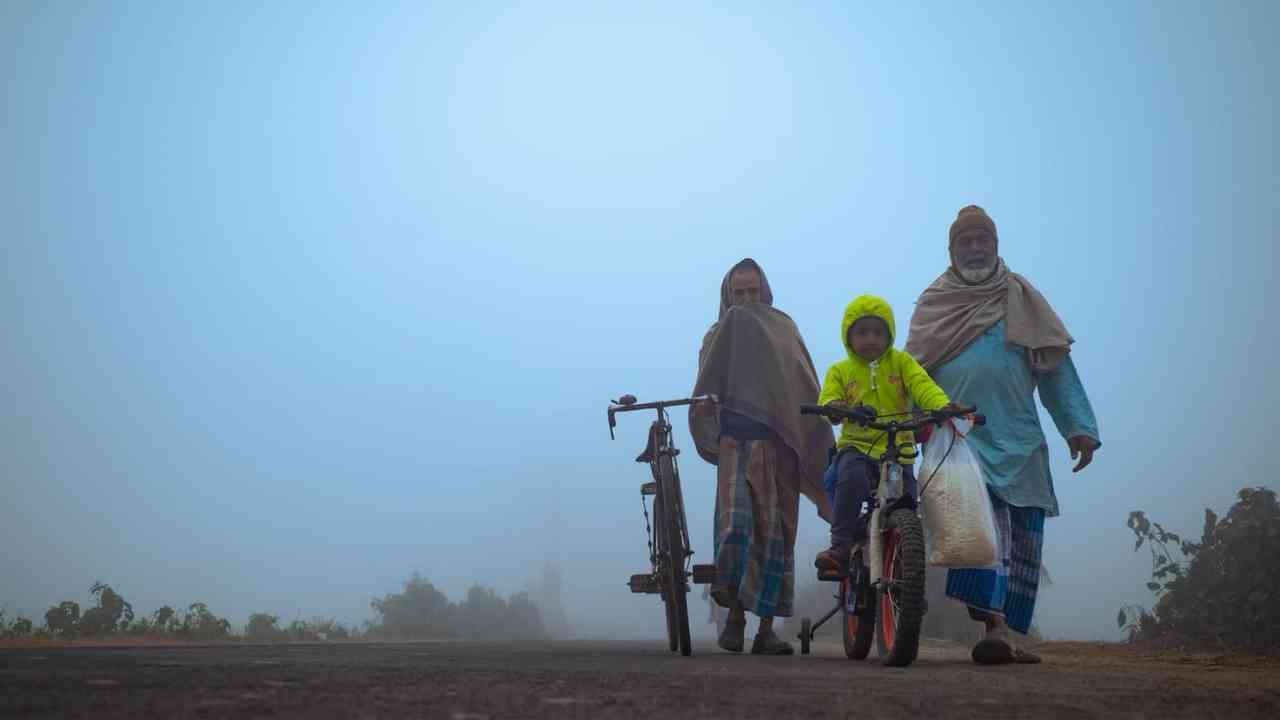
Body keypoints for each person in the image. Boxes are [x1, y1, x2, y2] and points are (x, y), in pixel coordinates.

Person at [905, 205, 1101, 665]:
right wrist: (910, 424)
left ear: (996, 245)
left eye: (982, 240)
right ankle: (992, 626)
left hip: (1019, 437)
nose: (974, 249)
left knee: (1022, 537)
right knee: (983, 533)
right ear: (951, 251)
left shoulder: (1022, 298)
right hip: (960, 437)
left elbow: (1055, 368)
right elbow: (911, 370)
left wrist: (1078, 427)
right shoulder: (934, 303)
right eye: (965, 242)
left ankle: (1008, 633)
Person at [689, 259, 833, 655]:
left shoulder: (785, 331)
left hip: (780, 447)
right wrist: (707, 418)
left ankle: (765, 630)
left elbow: (803, 383)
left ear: (766, 293)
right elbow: (706, 385)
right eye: (740, 293)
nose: (748, 300)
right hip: (736, 444)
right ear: (728, 296)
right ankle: (735, 614)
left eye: (754, 292)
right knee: (736, 527)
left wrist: (815, 433)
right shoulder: (717, 336)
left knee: (776, 537)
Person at [814, 295, 958, 571]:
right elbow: (828, 401)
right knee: (852, 478)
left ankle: (907, 578)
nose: (870, 339)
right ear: (849, 336)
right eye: (862, 332)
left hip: (898, 449)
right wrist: (841, 408)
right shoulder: (840, 370)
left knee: (906, 502)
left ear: (889, 334)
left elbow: (922, 385)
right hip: (857, 448)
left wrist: (943, 406)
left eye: (878, 332)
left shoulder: (901, 362)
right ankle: (840, 546)